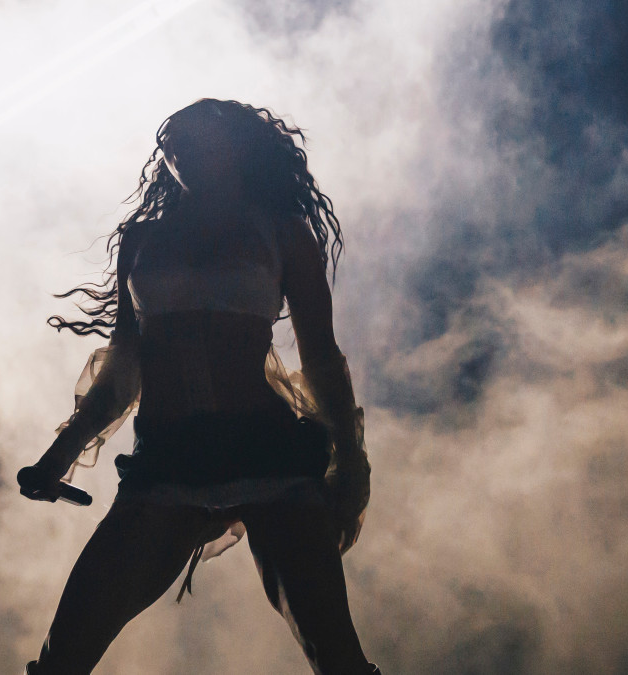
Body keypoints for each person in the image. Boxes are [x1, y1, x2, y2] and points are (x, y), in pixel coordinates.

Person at [20, 98, 378, 675]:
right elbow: (124, 367)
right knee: (62, 660)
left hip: (272, 458)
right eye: (171, 142)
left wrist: (351, 462)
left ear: (234, 149)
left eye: (195, 139)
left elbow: (320, 357)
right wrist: (57, 456)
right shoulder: (142, 240)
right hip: (167, 464)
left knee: (337, 658)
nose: (179, 150)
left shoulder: (282, 234)